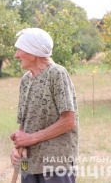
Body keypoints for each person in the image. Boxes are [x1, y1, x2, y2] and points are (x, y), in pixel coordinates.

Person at [10, 28, 79, 183]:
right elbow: (24, 124)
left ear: (33, 52)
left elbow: (69, 121)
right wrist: (17, 148)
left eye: (19, 50)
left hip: (55, 164)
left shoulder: (57, 73)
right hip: (28, 163)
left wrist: (30, 138)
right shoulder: (25, 80)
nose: (16, 55)